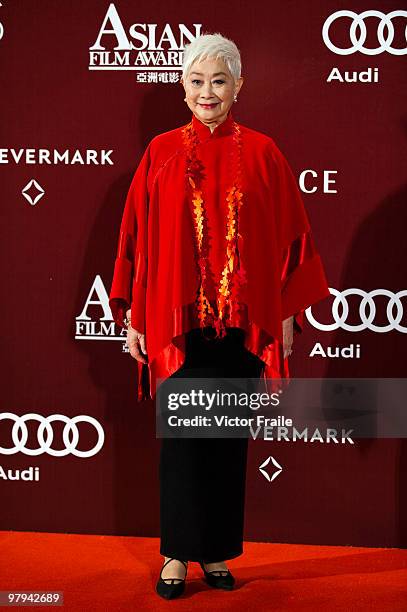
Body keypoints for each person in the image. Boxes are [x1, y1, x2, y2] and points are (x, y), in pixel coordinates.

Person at [109, 32, 330, 599]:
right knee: (182, 443)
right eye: (197, 81)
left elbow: (289, 239)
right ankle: (176, 555)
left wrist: (281, 315)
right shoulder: (159, 152)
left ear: (238, 87)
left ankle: (215, 554)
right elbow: (136, 236)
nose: (208, 92)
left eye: (220, 80)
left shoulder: (263, 152)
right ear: (182, 88)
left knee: (227, 442)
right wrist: (135, 316)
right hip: (177, 324)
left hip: (239, 325)